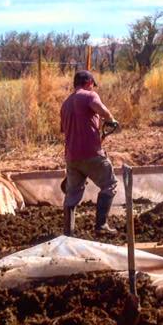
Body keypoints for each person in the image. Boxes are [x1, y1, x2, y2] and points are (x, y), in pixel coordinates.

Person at [60, 70, 119, 236]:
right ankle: (101, 226)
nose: (93, 88)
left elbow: (65, 129)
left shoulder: (65, 104)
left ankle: (68, 233)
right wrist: (111, 120)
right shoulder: (90, 96)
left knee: (72, 194)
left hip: (72, 157)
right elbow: (103, 111)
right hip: (91, 153)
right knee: (109, 184)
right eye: (92, 85)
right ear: (89, 83)